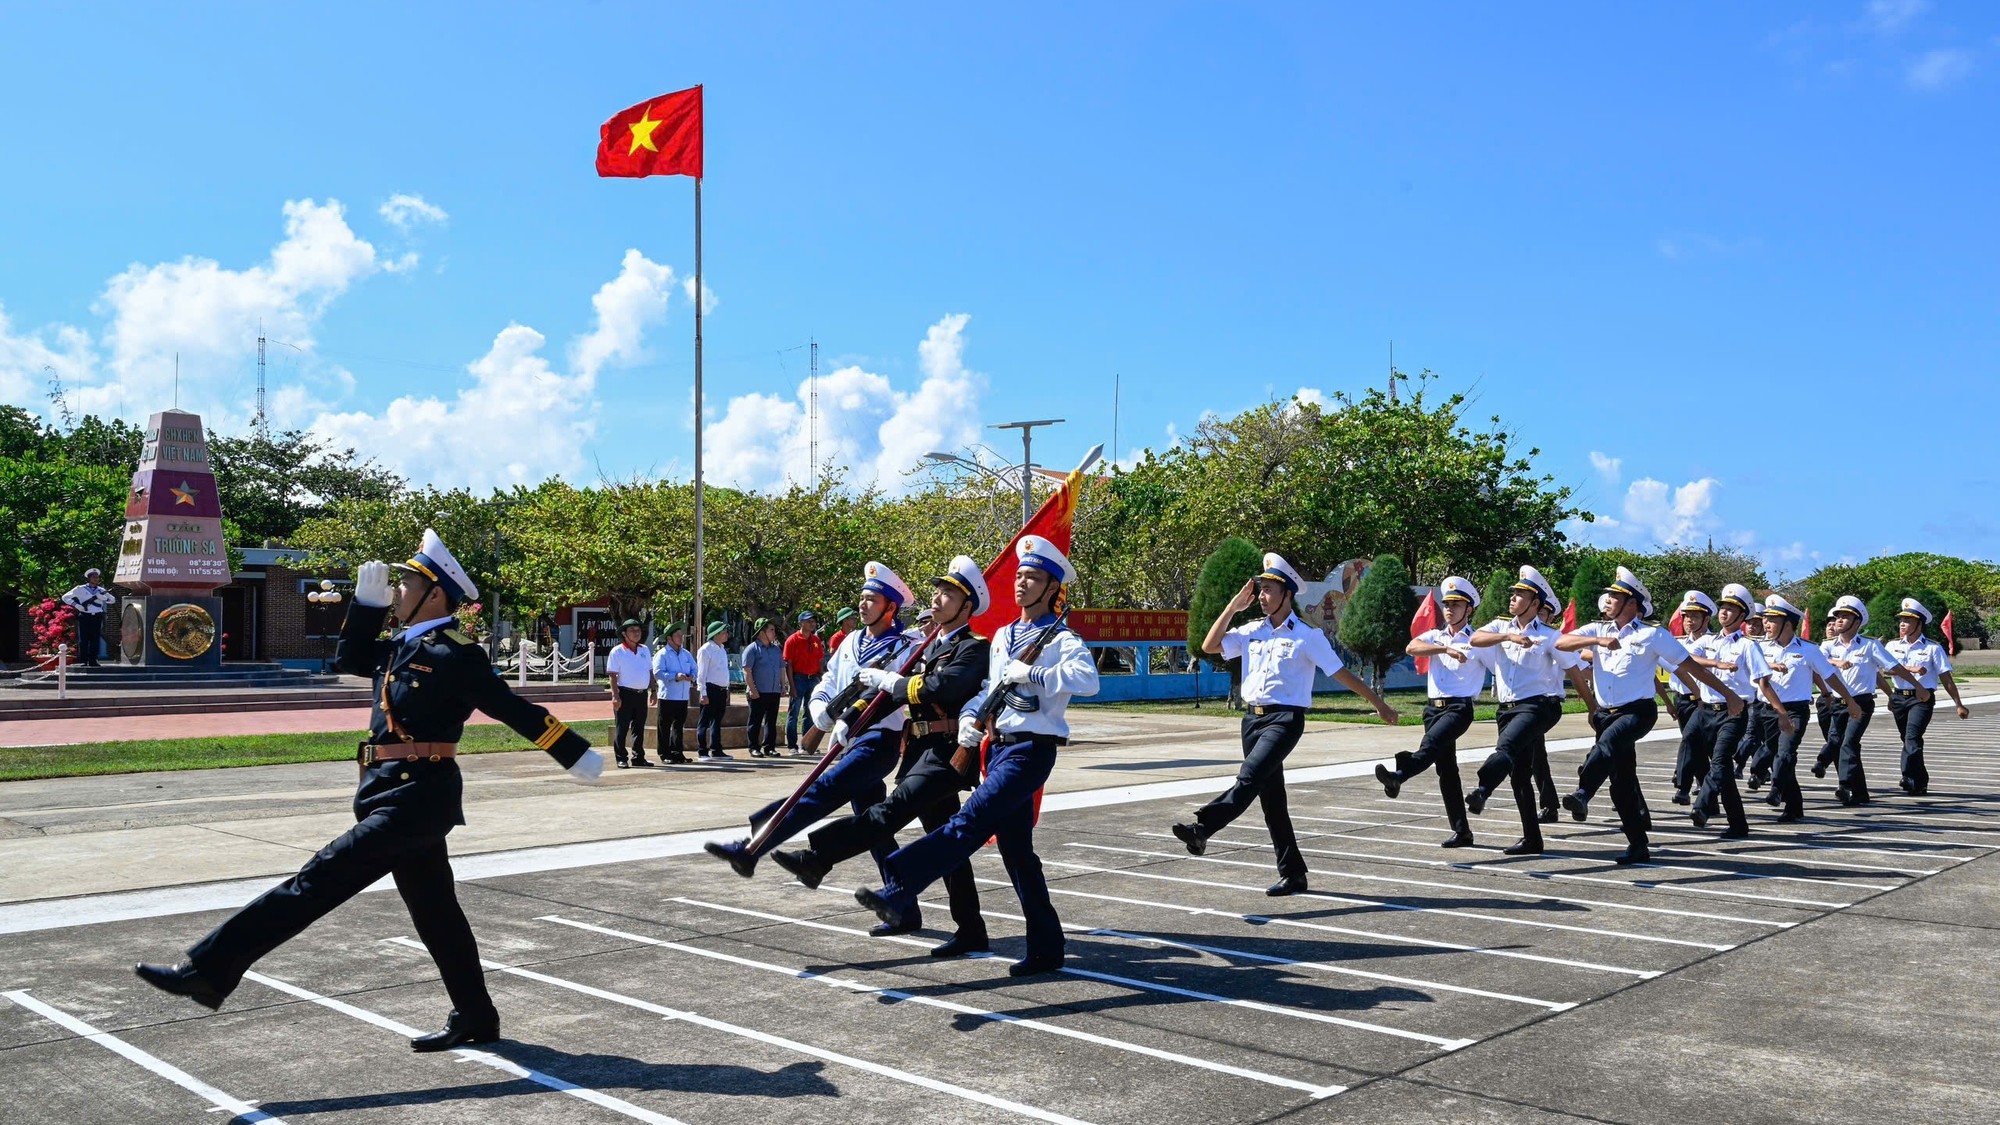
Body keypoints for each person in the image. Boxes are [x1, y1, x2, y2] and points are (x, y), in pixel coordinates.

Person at [134, 529, 602, 1049]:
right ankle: (476, 1015)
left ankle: (209, 968)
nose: (398, 592)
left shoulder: (455, 655)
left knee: (315, 880)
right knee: (437, 914)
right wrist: (363, 606)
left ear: (436, 594)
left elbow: (513, 709)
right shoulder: (403, 647)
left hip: (417, 801)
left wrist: (572, 751)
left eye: (406, 585)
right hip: (389, 795)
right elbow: (349, 661)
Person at [855, 535, 1099, 976]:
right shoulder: (1006, 634)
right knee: (1017, 854)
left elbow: (1088, 680)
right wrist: (971, 718)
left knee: (966, 823)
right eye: (1021, 575)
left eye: (1034, 578)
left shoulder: (1060, 638)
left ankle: (898, 885)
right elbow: (990, 688)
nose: (1022, 583)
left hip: (1032, 751)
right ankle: (1047, 947)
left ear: (1051, 590)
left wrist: (1036, 673)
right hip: (999, 748)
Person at [773, 555, 995, 958]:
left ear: (968, 606)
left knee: (887, 813)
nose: (938, 598)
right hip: (920, 751)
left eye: (949, 593)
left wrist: (895, 681)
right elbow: (880, 692)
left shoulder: (974, 648)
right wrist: (846, 718)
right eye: (937, 590)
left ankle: (821, 859)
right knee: (946, 843)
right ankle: (971, 928)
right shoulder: (928, 645)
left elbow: (940, 688)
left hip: (946, 754)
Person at [1172, 553, 1399, 894]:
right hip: (1252, 721)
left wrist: (1378, 703)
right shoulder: (1250, 631)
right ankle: (1294, 873)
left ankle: (1203, 827)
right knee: (1272, 802)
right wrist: (1233, 607)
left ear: (1287, 593)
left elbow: (1341, 674)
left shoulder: (1308, 637)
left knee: (1248, 778)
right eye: (1259, 589)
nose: (1261, 596)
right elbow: (1210, 645)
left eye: (1267, 590)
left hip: (1285, 720)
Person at [704, 563, 919, 888]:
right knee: (873, 827)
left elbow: (896, 693)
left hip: (879, 740)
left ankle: (754, 844)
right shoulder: (850, 642)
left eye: (871, 599)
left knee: (820, 790)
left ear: (890, 607)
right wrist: (820, 705)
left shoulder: (906, 646)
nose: (862, 604)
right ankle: (900, 898)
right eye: (861, 597)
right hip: (849, 743)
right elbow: (830, 681)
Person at [1557, 567, 1745, 863]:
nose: (1608, 600)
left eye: (1616, 596)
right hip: (1607, 713)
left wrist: (1730, 695)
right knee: (1621, 783)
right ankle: (1638, 845)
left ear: (1632, 604)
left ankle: (1583, 793)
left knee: (1606, 745)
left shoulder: (1652, 634)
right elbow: (1561, 642)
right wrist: (1596, 642)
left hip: (1637, 712)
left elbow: (1690, 667)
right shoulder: (1598, 630)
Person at [1463, 566, 1594, 855]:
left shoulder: (1549, 635)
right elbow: (1474, 640)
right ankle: (1532, 839)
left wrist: (1592, 708)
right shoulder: (1499, 627)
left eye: (1520, 594)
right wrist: (1507, 637)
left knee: (1506, 748)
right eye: (1513, 593)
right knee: (1519, 774)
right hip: (1507, 709)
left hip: (1540, 706)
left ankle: (1482, 791)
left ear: (1535, 604)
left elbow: (1573, 671)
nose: (1513, 598)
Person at [1377, 575, 1486, 847]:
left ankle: (1400, 775)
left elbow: (1499, 664)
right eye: (1446, 604)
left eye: (1456, 604)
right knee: (1446, 770)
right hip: (1432, 709)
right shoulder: (1436, 637)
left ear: (1469, 609)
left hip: (1459, 708)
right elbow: (1412, 646)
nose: (1449, 609)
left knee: (1431, 743)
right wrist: (1445, 648)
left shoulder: (1477, 640)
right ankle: (1462, 831)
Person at [1747, 595, 1861, 821]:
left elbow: (1831, 676)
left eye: (1772, 620)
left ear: (1787, 624)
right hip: (1766, 710)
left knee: (1786, 753)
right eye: (1766, 619)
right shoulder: (1758, 647)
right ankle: (1794, 806)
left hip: (1795, 711)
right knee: (1775, 756)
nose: (1766, 624)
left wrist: (1850, 700)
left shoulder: (1809, 650)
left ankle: (1776, 789)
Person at [1681, 586, 1780, 837]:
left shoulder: (1748, 646)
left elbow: (1763, 682)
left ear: (1742, 615)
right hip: (1705, 709)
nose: (1724, 612)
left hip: (1733, 713)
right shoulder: (1707, 641)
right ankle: (1737, 823)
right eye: (1723, 608)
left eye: (1731, 609)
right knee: (1692, 743)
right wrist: (1716, 663)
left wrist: (1781, 712)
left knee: (1721, 760)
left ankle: (1702, 804)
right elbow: (1687, 659)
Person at [1813, 596, 1926, 805]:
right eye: (1837, 616)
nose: (1838, 620)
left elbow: (1894, 667)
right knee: (1838, 742)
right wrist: (1836, 662)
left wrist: (1917, 685)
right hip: (1838, 703)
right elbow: (1815, 662)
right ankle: (1859, 792)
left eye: (1845, 617)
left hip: (1862, 703)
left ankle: (1844, 785)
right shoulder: (1828, 645)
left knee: (1849, 742)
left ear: (1857, 622)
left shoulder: (1870, 645)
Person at [1884, 597, 1971, 796]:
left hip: (1921, 699)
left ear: (1919, 624)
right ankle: (1919, 781)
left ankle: (1907, 776)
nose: (1902, 624)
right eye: (1901, 620)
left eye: (1907, 620)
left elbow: (1946, 678)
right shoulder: (1892, 645)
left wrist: (1958, 704)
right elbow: (1885, 670)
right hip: (1899, 697)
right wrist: (1910, 668)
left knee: (1912, 738)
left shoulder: (1932, 648)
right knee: (1908, 740)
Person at [605, 619, 655, 768]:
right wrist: (615, 696)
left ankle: (638, 757)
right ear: (624, 634)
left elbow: (650, 671)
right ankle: (621, 757)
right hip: (624, 694)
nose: (636, 633)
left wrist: (653, 690)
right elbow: (612, 676)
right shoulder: (617, 651)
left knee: (639, 727)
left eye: (638, 630)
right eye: (632, 630)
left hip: (641, 694)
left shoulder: (644, 650)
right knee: (622, 727)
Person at [650, 622, 697, 764]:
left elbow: (695, 668)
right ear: (669, 638)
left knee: (679, 726)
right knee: (664, 726)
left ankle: (677, 752)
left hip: (682, 696)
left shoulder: (686, 654)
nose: (681, 638)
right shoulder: (662, 654)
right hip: (668, 695)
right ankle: (664, 753)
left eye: (681, 635)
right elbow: (658, 673)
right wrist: (675, 676)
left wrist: (691, 677)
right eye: (677, 635)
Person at [741, 618, 786, 757]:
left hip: (773, 691)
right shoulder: (752, 649)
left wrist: (783, 686)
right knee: (755, 721)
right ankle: (754, 747)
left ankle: (769, 747)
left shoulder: (776, 649)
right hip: (758, 692)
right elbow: (747, 671)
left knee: (771, 721)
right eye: (771, 630)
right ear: (762, 632)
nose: (774, 633)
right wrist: (753, 690)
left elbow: (781, 668)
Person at [783, 610, 826, 752]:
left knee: (810, 712)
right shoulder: (792, 640)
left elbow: (820, 659)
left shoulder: (815, 640)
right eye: (808, 621)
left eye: (813, 621)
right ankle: (792, 745)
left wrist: (820, 676)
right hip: (798, 678)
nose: (812, 624)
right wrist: (791, 685)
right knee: (794, 713)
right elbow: (788, 664)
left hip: (813, 678)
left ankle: (806, 745)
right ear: (801, 623)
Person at [60, 568, 117, 667]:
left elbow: (112, 600)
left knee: (95, 639)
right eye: (94, 577)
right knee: (84, 639)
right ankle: (83, 661)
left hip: (97, 616)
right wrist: (76, 605)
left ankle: (93, 661)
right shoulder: (80, 589)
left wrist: (104, 599)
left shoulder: (101, 590)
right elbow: (65, 597)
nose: (96, 579)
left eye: (97, 577)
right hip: (85, 616)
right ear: (89, 578)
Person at [695, 622, 733, 760]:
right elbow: (701, 674)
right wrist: (703, 693)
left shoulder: (722, 648)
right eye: (723, 632)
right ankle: (702, 751)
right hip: (710, 689)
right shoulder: (706, 650)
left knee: (717, 721)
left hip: (721, 690)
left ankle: (716, 749)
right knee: (704, 721)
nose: (726, 635)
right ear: (716, 634)